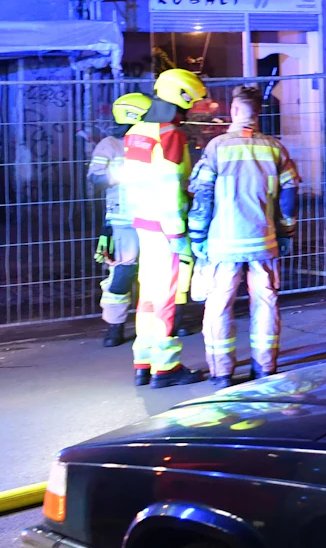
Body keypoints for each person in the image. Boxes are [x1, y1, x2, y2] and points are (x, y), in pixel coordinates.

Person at [189, 86, 300, 388]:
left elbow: (203, 196)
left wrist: (197, 236)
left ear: (234, 112)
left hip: (223, 244)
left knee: (219, 306)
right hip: (264, 241)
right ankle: (264, 369)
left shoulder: (216, 148)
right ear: (258, 114)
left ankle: (222, 373)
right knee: (265, 303)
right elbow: (288, 197)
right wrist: (286, 231)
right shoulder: (275, 149)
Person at [124, 67, 209, 388]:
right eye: (188, 105)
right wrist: (178, 233)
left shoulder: (136, 130)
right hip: (166, 228)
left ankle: (143, 360)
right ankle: (166, 367)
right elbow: (172, 185)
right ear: (180, 98)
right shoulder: (170, 135)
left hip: (143, 222)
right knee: (167, 298)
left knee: (147, 294)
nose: (188, 112)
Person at [89, 92, 152, 348]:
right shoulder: (110, 145)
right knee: (123, 272)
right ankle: (115, 326)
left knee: (157, 273)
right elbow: (95, 179)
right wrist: (123, 173)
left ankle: (164, 323)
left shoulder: (151, 142)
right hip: (123, 220)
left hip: (153, 216)